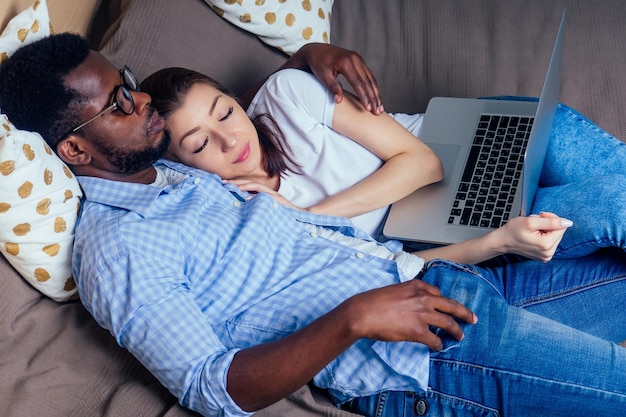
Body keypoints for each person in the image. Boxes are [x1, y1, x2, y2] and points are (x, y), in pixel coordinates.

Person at [2, 33, 626, 417]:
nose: (137, 104)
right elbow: (209, 386)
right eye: (115, 105)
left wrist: (307, 56)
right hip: (423, 355)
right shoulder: (116, 250)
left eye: (128, 88)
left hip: (446, 279)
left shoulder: (177, 176)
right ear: (75, 154)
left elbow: (256, 120)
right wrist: (353, 318)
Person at [141, 67, 626, 261]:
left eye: (225, 112)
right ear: (186, 166)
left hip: (458, 137)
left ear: (235, 101)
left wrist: (312, 216)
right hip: (434, 227)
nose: (230, 139)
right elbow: (389, 267)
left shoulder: (285, 96)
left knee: (604, 175)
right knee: (612, 209)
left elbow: (424, 163)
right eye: (200, 143)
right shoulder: (247, 220)